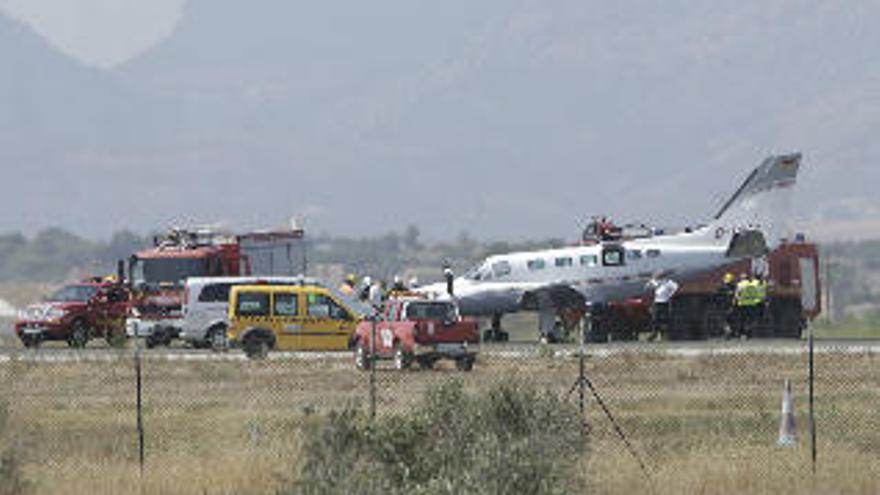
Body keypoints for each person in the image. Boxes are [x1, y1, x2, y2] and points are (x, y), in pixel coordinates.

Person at [645, 273, 679, 341]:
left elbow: (676, 287)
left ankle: (664, 335)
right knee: (655, 319)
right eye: (657, 277)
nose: (658, 278)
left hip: (664, 303)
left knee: (664, 320)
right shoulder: (656, 282)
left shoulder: (668, 282)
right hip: (656, 302)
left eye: (659, 277)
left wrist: (670, 294)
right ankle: (654, 334)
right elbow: (647, 286)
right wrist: (650, 282)